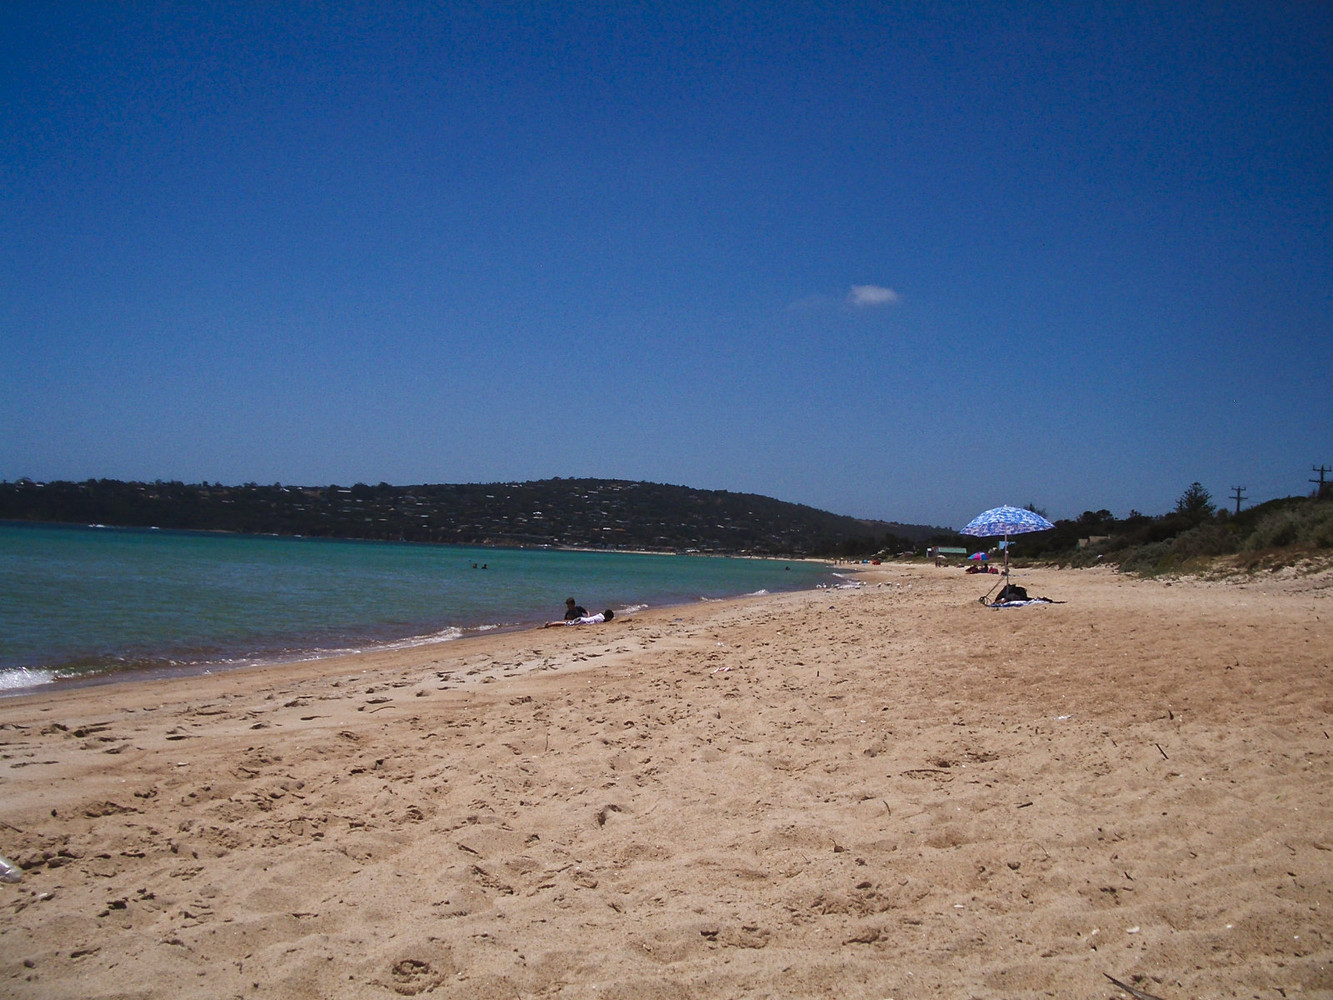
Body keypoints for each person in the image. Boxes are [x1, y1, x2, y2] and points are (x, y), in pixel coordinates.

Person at [544, 608, 615, 628]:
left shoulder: (599, 615)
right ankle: (549, 625)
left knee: (566, 623)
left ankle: (550, 624)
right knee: (565, 624)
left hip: (582, 619)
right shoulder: (601, 619)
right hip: (582, 621)